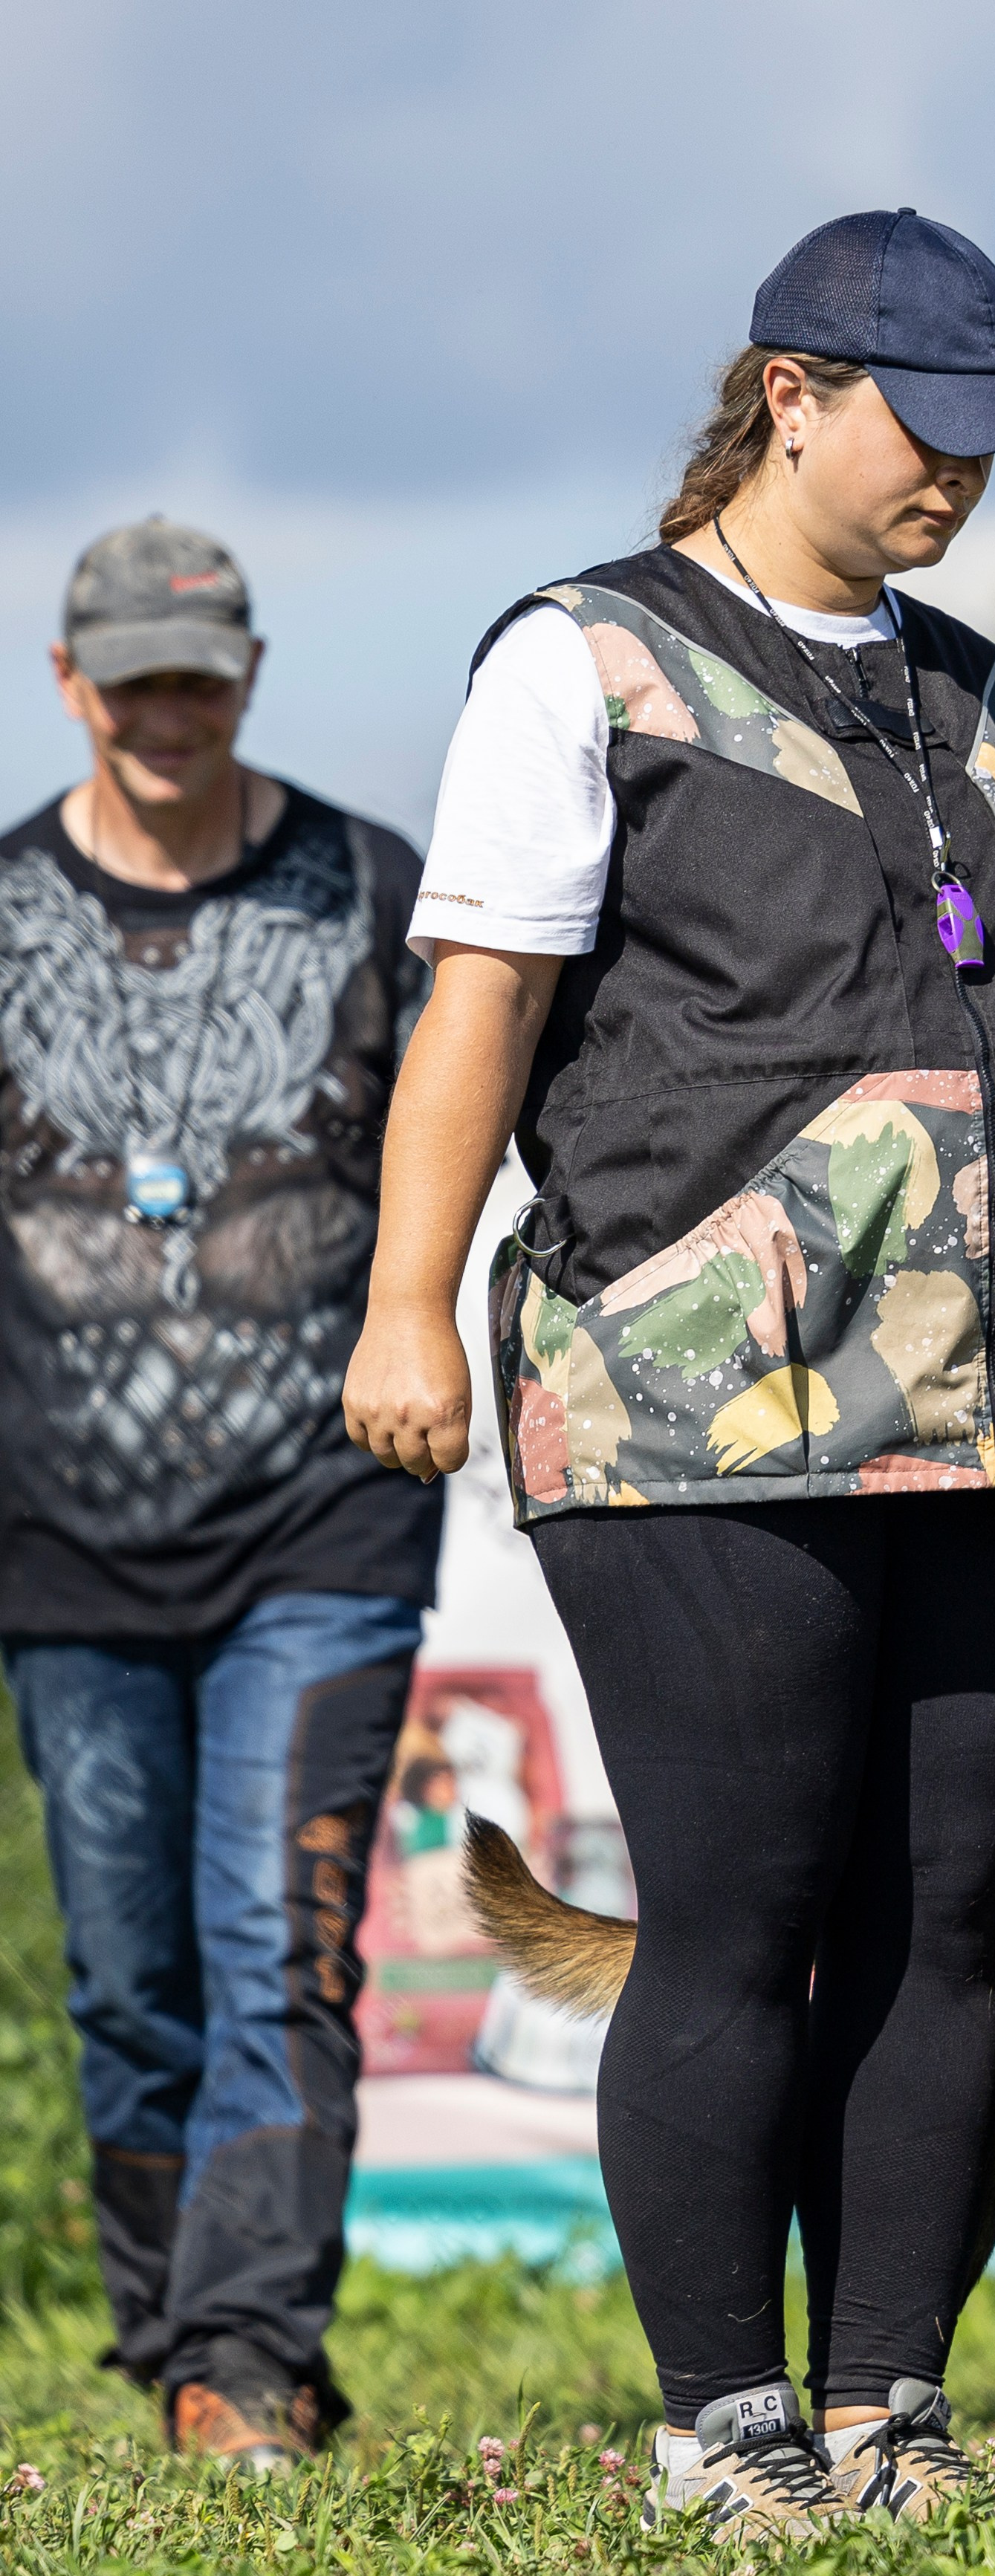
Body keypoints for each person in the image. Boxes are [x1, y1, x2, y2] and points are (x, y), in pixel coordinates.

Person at [345, 209, 995, 2539]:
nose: (957, 483)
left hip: (991, 1407)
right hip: (692, 1403)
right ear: (786, 389)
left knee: (939, 1903)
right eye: (922, 428)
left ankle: (886, 2409)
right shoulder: (586, 662)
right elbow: (476, 1002)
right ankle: (724, 2427)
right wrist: (410, 1301)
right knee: (742, 1897)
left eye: (994, 444)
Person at [0, 519, 442, 2466]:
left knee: (281, 1937)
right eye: (133, 673)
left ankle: (241, 2364)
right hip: (57, 1532)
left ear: (249, 672)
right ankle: (177, 2329)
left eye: (200, 670)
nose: (168, 705)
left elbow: (459, 1137)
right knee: (128, 1973)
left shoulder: (373, 891)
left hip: (317, 1525)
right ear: (69, 680)